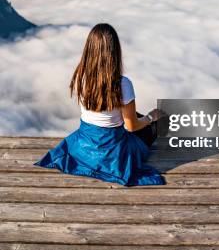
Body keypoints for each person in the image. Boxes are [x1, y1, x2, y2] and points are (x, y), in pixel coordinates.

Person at [34, 23, 166, 186]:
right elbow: (131, 127)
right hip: (112, 151)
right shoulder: (122, 84)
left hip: (84, 145)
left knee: (134, 115)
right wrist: (151, 117)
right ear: (115, 52)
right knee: (156, 122)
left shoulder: (80, 76)